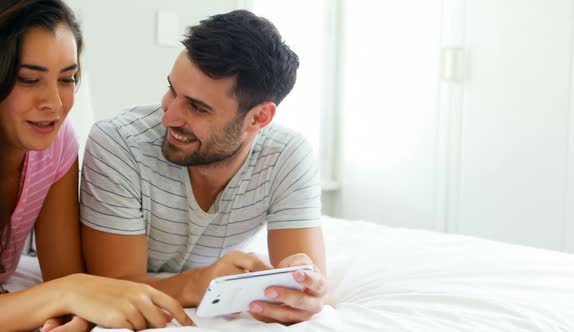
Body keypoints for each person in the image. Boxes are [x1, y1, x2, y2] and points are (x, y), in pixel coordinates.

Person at [81, 9, 329, 324]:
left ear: (258, 118)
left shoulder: (287, 156)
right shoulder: (119, 142)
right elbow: (109, 286)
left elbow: (312, 285)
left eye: (197, 107)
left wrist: (306, 294)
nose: (168, 117)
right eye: (172, 90)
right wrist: (200, 283)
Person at [0, 1, 194, 330]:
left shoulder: (57, 144)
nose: (55, 103)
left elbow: (65, 278)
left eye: (67, 79)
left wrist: (74, 313)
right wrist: (66, 293)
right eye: (29, 80)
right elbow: (68, 287)